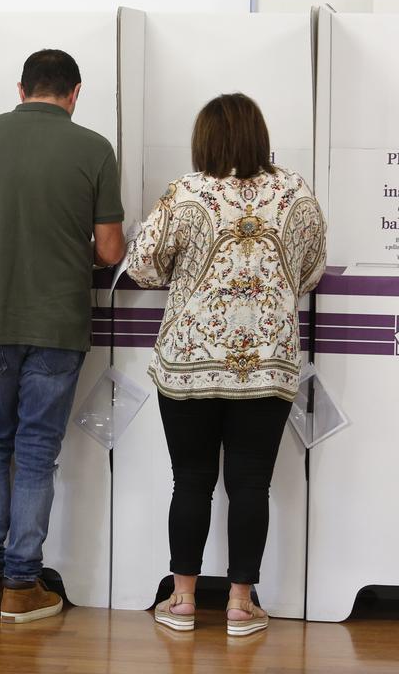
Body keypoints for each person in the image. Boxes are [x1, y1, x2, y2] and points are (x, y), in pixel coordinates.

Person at [126, 93, 326, 636]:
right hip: (268, 362)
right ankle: (241, 605)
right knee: (252, 482)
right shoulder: (295, 193)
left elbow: (142, 266)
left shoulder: (186, 192)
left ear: (205, 139)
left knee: (189, 479)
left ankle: (184, 601)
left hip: (190, 359)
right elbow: (311, 271)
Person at [0, 49, 126, 624]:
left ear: (21, 88)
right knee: (38, 452)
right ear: (75, 94)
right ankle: (24, 585)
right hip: (58, 322)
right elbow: (112, 250)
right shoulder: (94, 148)